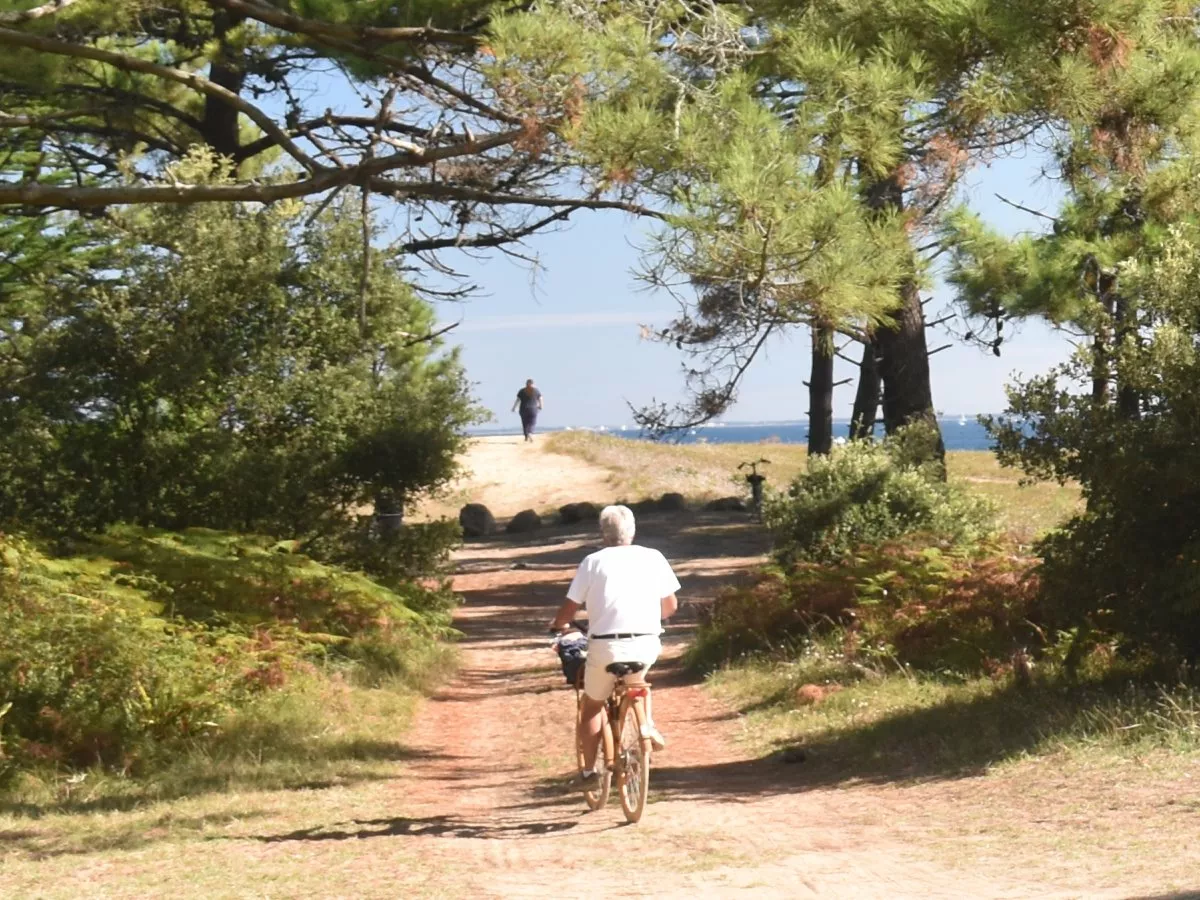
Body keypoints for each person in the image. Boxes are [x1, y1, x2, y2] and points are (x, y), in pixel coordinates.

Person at [549, 505, 680, 791]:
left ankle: (587, 772)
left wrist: (559, 624)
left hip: (606, 646)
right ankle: (645, 724)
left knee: (592, 704)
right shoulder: (653, 557)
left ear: (603, 533)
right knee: (639, 680)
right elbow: (670, 607)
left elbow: (569, 608)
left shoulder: (592, 562)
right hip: (646, 642)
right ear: (632, 531)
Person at [511, 378, 543, 442]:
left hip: (523, 409)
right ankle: (530, 433)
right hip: (533, 409)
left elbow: (517, 400)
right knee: (532, 422)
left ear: (526, 384)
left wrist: (514, 408)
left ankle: (526, 437)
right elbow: (541, 398)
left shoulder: (522, 391)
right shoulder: (536, 391)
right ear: (533, 384)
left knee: (524, 423)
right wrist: (541, 406)